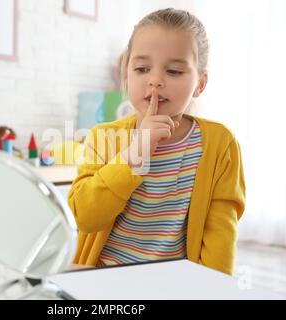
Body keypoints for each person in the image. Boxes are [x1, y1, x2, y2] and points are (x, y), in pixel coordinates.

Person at [67, 8, 245, 275]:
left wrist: (213, 289)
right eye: (141, 68)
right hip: (103, 280)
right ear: (126, 74)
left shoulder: (220, 144)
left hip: (174, 285)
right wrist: (135, 153)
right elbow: (84, 217)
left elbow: (220, 233)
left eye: (173, 71)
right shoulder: (104, 136)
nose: (155, 80)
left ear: (200, 83)